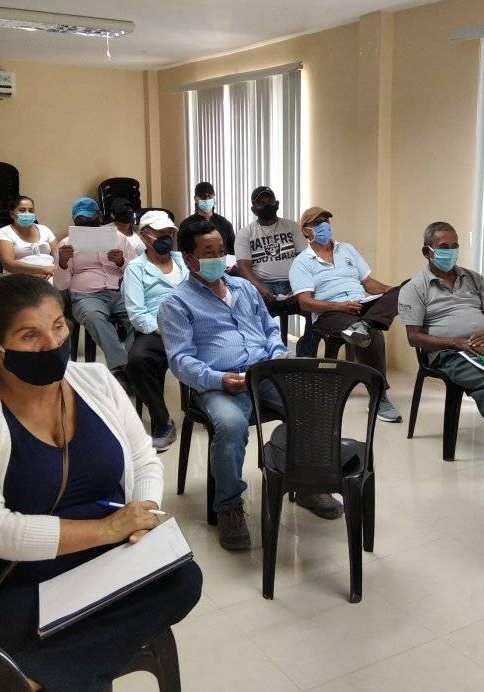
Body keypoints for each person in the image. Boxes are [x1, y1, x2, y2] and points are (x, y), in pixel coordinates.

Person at [0, 275, 202, 692]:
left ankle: (26, 677)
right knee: (60, 648)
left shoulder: (95, 381)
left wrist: (142, 517)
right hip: (18, 573)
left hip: (106, 560)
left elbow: (143, 459)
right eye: (30, 336)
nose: (52, 344)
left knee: (183, 579)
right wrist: (105, 529)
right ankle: (54, 671)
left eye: (58, 326)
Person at [159, 220, 343, 551]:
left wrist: (278, 355)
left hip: (265, 371)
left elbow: (269, 329)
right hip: (219, 382)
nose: (218, 258)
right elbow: (181, 360)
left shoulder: (244, 288)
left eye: (221, 251)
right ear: (188, 258)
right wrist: (218, 379)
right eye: (208, 253)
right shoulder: (176, 303)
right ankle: (228, 506)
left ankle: (306, 484)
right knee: (231, 425)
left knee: (313, 403)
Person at [398, 221, 484, 479]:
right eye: (443, 247)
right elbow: (414, 338)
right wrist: (456, 343)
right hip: (448, 353)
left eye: (454, 246)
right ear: (427, 251)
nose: (450, 251)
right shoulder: (414, 288)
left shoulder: (473, 279)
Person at [289, 206, 402, 423]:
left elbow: (369, 283)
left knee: (402, 291)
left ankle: (363, 325)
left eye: (326, 221)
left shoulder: (347, 249)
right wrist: (340, 306)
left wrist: (393, 290)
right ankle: (379, 397)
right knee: (373, 334)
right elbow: (305, 302)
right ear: (305, 231)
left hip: (362, 306)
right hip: (331, 313)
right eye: (318, 223)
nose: (324, 226)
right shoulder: (302, 262)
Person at [53, 197, 136, 391]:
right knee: (94, 318)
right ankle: (122, 367)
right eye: (80, 221)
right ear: (74, 220)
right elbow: (61, 284)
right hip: (86, 295)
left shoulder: (119, 238)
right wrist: (63, 263)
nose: (85, 224)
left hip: (121, 291)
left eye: (89, 219)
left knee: (137, 318)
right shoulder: (66, 244)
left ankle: (132, 365)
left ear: (98, 216)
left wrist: (121, 262)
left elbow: (137, 271)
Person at [123, 210, 189, 451]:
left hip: (191, 324)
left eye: (169, 233)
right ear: (145, 237)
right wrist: (164, 331)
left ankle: (207, 406)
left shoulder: (183, 260)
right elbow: (137, 313)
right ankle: (163, 423)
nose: (166, 238)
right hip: (157, 330)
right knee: (138, 360)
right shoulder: (136, 269)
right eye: (160, 234)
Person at [234, 186, 316, 356]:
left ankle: (305, 355)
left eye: (270, 201)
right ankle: (268, 356)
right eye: (261, 203)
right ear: (253, 209)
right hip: (263, 285)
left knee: (315, 312)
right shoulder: (245, 233)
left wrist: (300, 286)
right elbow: (243, 267)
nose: (267, 205)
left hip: (294, 283)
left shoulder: (291, 226)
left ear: (277, 203)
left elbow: (305, 259)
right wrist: (260, 288)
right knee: (253, 319)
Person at [0, 195, 57, 278]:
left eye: (31, 211)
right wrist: (43, 270)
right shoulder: (4, 232)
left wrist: (54, 271)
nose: (27, 213)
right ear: (12, 214)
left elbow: (57, 256)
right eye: (22, 210)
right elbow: (8, 264)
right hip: (21, 279)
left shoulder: (45, 229)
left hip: (50, 275)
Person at [179, 182, 235, 255]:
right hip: (196, 261)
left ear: (214, 197)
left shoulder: (224, 223)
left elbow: (233, 251)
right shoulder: (186, 224)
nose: (206, 199)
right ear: (195, 198)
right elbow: (183, 252)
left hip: (222, 261)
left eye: (209, 195)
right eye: (202, 196)